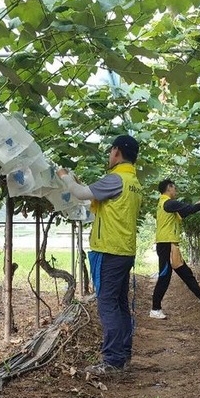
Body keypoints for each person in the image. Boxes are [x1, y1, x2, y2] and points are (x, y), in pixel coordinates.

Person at [57, 134, 142, 375]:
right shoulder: (133, 182)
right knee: (119, 303)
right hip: (124, 251)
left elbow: (81, 193)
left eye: (110, 151)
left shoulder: (116, 178)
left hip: (110, 250)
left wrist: (64, 176)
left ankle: (113, 360)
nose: (109, 156)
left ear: (116, 152)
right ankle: (123, 354)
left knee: (107, 304)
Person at [149, 179, 200, 320]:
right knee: (165, 276)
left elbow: (186, 213)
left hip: (170, 244)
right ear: (169, 188)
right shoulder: (168, 203)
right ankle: (155, 308)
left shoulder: (165, 205)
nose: (176, 191)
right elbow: (188, 209)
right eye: (175, 188)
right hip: (166, 244)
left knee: (185, 272)